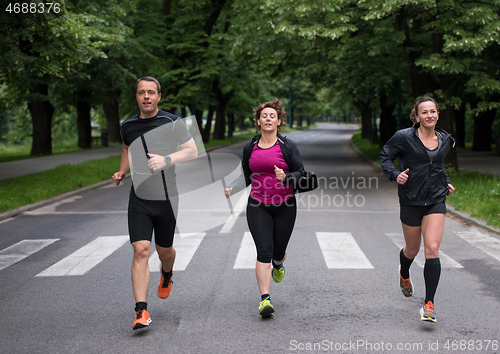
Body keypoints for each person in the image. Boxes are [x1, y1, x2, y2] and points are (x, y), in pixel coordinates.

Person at [112, 76, 197, 330]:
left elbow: (192, 151)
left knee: (165, 251)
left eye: (151, 92)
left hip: (166, 197)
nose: (146, 96)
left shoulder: (172, 122)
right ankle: (141, 311)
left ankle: (167, 273)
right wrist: (121, 171)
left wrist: (166, 160)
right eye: (141, 93)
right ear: (136, 97)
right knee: (140, 250)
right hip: (139, 197)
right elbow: (127, 148)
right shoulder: (127, 125)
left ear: (159, 96)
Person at [225, 98, 306, 317]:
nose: (268, 119)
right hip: (258, 204)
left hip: (285, 205)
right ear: (258, 121)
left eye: (272, 116)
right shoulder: (250, 146)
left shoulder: (287, 146)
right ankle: (265, 299)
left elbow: (301, 172)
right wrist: (232, 187)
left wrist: (287, 176)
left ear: (279, 121)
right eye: (264, 116)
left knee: (277, 253)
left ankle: (279, 263)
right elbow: (247, 174)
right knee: (264, 251)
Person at [380, 96, 455, 323]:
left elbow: (437, 166)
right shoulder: (404, 137)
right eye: (424, 112)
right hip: (411, 200)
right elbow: (385, 156)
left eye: (433, 111)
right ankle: (404, 273)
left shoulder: (445, 139)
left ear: (438, 115)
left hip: (435, 200)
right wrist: (395, 175)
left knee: (432, 248)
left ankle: (428, 304)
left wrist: (446, 181)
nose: (429, 115)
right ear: (417, 116)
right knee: (412, 250)